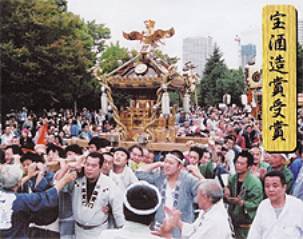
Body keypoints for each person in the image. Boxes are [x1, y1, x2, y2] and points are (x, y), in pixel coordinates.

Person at [0, 164, 76, 239]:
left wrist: (29, 176)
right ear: (18, 182)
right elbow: (46, 197)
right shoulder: (21, 200)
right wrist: (64, 180)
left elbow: (13, 184)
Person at [136, 150, 199, 237]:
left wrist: (199, 175)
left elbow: (205, 191)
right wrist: (158, 164)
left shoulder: (189, 180)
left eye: (171, 163)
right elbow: (139, 174)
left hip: (180, 225)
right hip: (160, 224)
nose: (167, 165)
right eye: (165, 162)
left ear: (179, 166)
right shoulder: (159, 177)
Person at [63, 152, 124, 239]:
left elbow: (118, 210)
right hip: (78, 230)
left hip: (99, 231)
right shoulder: (76, 179)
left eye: (94, 165)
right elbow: (61, 187)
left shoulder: (109, 183)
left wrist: (122, 230)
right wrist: (71, 168)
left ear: (100, 167)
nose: (89, 168)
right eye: (87, 164)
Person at [156, 179, 234, 239]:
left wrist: (167, 236)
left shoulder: (214, 220)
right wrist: (178, 222)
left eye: (198, 195)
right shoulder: (208, 211)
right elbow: (194, 230)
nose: (196, 199)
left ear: (207, 197)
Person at [247, 171, 303, 239]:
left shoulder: (297, 205)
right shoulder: (263, 206)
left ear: (284, 187)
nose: (271, 189)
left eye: (275, 186)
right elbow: (255, 233)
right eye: (267, 186)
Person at [224, 150, 263, 239]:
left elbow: (256, 203)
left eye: (242, 164)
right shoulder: (232, 178)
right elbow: (228, 190)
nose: (238, 166)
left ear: (249, 167)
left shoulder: (255, 183)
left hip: (246, 225)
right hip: (232, 221)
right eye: (237, 163)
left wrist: (242, 203)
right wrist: (226, 191)